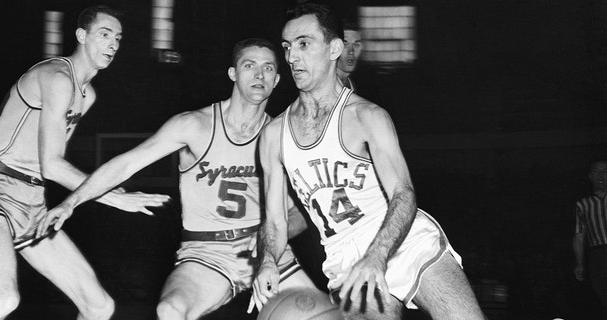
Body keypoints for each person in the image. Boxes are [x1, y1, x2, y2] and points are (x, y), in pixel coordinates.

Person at [39, 38, 318, 320]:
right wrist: (71, 202)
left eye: (268, 68)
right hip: (208, 255)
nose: (259, 75)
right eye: (250, 66)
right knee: (171, 311)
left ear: (277, 79)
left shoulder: (281, 138)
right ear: (233, 73)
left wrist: (263, 243)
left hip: (268, 255)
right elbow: (125, 165)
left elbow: (297, 217)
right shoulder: (194, 125)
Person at [252, 3, 485, 319]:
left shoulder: (367, 117)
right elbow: (277, 221)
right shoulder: (273, 135)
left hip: (402, 237)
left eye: (303, 44)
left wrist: (377, 256)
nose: (292, 57)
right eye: (287, 47)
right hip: (344, 256)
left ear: (335, 48)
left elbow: (404, 194)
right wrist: (267, 261)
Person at [0, 5, 170, 320]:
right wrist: (115, 197)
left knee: (100, 306)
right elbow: (52, 165)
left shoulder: (86, 95)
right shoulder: (57, 77)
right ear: (81, 36)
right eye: (104, 35)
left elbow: (47, 167)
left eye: (118, 37)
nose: (113, 44)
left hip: (33, 203)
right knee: (3, 298)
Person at [573, 161, 607, 311]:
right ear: (591, 176)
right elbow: (579, 236)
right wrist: (579, 263)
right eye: (597, 172)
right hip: (597, 254)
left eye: (605, 171)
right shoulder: (583, 205)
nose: (601, 175)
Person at [336, 20, 362, 90]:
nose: (351, 52)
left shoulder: (358, 86)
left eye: (356, 45)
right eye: (345, 44)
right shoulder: (321, 86)